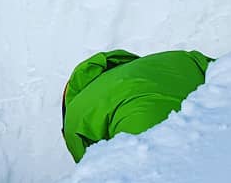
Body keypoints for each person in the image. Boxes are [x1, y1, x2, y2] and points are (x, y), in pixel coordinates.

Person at [61, 48, 214, 162]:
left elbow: (89, 168)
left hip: (147, 129)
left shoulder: (75, 114)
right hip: (213, 102)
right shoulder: (165, 59)